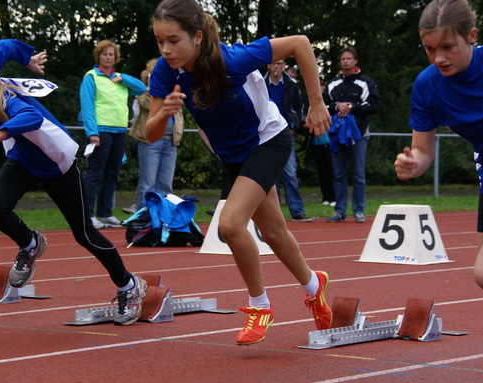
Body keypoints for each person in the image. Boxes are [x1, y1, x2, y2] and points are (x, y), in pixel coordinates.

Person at [146, 0, 333, 346]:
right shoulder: (164, 72)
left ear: (197, 37)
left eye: (173, 40)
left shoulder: (232, 59)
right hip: (232, 156)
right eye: (160, 42)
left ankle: (260, 306)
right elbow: (151, 133)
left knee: (230, 224)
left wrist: (316, 102)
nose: (166, 50)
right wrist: (164, 114)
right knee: (274, 232)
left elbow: (300, 44)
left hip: (268, 141)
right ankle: (313, 285)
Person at [0, 40, 148, 325]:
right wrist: (28, 60)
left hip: (56, 163)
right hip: (23, 158)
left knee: (85, 234)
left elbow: (32, 115)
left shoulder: (6, 98)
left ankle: (128, 285)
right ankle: (30, 242)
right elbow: (2, 45)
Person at [395, 0, 483, 327]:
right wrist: (414, 163)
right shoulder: (427, 86)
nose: (438, 58)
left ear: (471, 36)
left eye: (447, 47)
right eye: (429, 49)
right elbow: (423, 150)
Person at [80, 40, 146, 228]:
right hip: (100, 130)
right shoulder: (91, 77)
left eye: (111, 54)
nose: (108, 57)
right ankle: (88, 215)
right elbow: (87, 106)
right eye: (104, 54)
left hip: (119, 131)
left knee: (112, 174)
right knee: (95, 173)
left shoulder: (120, 78)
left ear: (115, 57)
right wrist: (92, 132)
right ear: (98, 56)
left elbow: (141, 88)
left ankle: (105, 213)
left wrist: (123, 78)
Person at [322, 46, 380, 223]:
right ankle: (339, 211)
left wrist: (352, 108)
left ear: (355, 61)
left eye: (349, 58)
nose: (345, 61)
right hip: (337, 134)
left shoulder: (366, 83)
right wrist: (336, 107)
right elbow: (323, 105)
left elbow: (375, 105)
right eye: (343, 59)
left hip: (359, 134)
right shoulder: (332, 84)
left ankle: (359, 210)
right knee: (338, 174)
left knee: (358, 174)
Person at [129, 58, 184, 211]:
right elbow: (146, 104)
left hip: (171, 140)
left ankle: (162, 218)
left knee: (165, 185)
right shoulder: (144, 92)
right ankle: (143, 219)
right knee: (148, 184)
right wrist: (152, 86)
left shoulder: (174, 91)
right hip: (150, 141)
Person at [263, 59, 312, 222]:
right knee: (270, 174)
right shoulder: (261, 82)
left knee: (290, 172)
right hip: (266, 133)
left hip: (285, 132)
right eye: (273, 63)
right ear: (268, 65)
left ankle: (297, 210)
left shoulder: (291, 84)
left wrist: (295, 124)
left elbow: (299, 106)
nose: (276, 67)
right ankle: (273, 213)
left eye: (279, 63)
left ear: (284, 66)